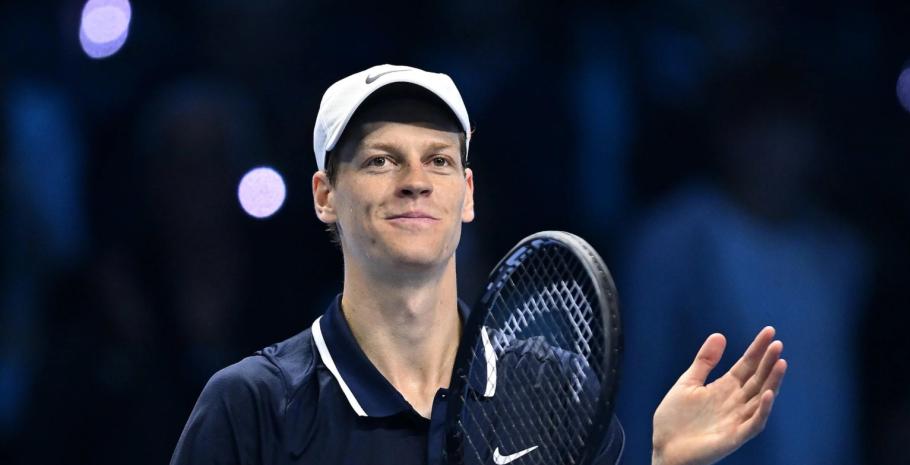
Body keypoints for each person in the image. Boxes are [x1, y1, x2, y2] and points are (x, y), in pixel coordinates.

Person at [170, 64, 787, 465]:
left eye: (438, 161)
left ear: (467, 194)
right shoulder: (251, 407)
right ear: (325, 195)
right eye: (382, 160)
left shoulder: (554, 389)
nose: (415, 182)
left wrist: (664, 463)